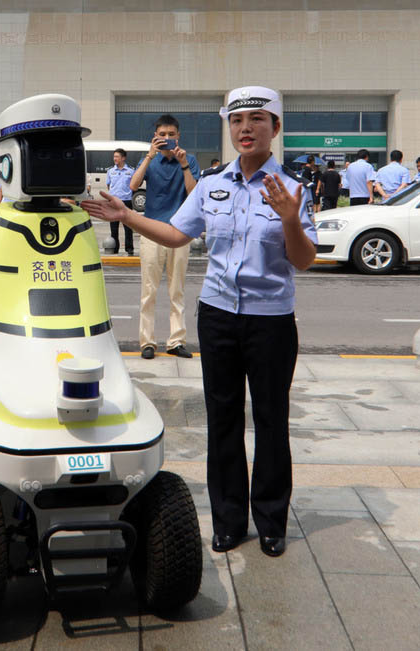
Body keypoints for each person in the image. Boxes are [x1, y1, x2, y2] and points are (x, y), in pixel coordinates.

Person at [83, 86, 317, 558]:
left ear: (275, 127)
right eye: (237, 120)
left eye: (256, 119)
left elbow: (302, 261)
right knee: (223, 419)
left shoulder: (292, 189)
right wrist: (126, 214)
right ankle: (230, 519)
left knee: (272, 421)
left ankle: (271, 519)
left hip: (270, 321)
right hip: (217, 316)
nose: (245, 128)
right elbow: (173, 233)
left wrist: (291, 220)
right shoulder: (213, 184)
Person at [128, 114, 199, 359]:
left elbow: (193, 193)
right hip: (151, 232)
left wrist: (184, 165)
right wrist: (149, 155)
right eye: (162, 135)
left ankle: (176, 341)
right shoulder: (150, 161)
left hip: (180, 233)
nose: (167, 139)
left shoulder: (189, 160)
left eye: (171, 134)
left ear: (178, 136)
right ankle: (147, 342)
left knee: (176, 290)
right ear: (155, 137)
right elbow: (133, 185)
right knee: (148, 291)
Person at [106, 148, 135, 255]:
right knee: (113, 228)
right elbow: (109, 185)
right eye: (114, 156)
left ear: (123, 158)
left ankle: (129, 248)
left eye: (117, 156)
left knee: (128, 227)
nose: (115, 159)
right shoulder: (110, 171)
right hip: (113, 202)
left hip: (126, 202)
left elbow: (134, 185)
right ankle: (115, 248)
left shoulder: (131, 171)